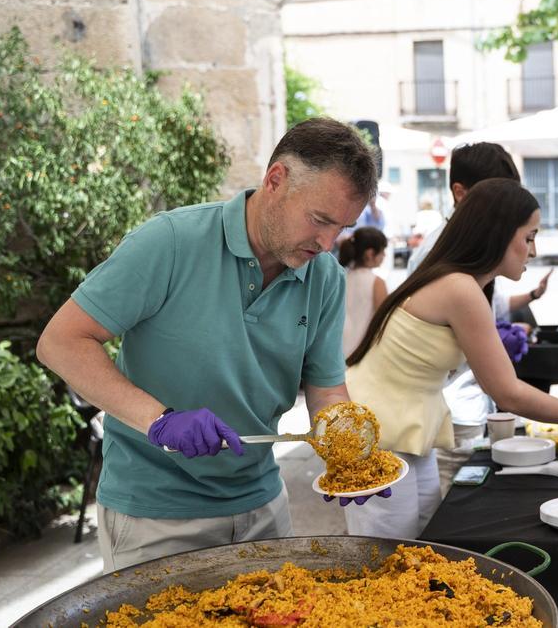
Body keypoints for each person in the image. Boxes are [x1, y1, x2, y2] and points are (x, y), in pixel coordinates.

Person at [35, 118, 379, 572]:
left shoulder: (327, 277)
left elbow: (327, 390)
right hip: (153, 516)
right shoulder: (171, 242)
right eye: (319, 220)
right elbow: (60, 342)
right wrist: (159, 421)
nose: (327, 242)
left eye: (342, 228)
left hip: (262, 507)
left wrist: (352, 454)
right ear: (275, 180)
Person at [344, 179, 558, 538]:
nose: (533, 250)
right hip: (380, 436)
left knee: (419, 547)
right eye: (529, 236)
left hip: (399, 432)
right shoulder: (461, 288)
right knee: (387, 564)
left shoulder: (458, 281)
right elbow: (509, 394)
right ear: (498, 234)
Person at [404, 142, 551, 473]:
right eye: (497, 196)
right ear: (460, 192)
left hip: (457, 406)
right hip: (445, 411)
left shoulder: (472, 259)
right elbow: (508, 390)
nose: (532, 250)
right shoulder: (446, 263)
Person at [340, 226, 388, 356]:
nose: (384, 255)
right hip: (363, 354)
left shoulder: (341, 278)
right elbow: (384, 324)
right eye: (383, 251)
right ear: (370, 253)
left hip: (339, 352)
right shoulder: (377, 283)